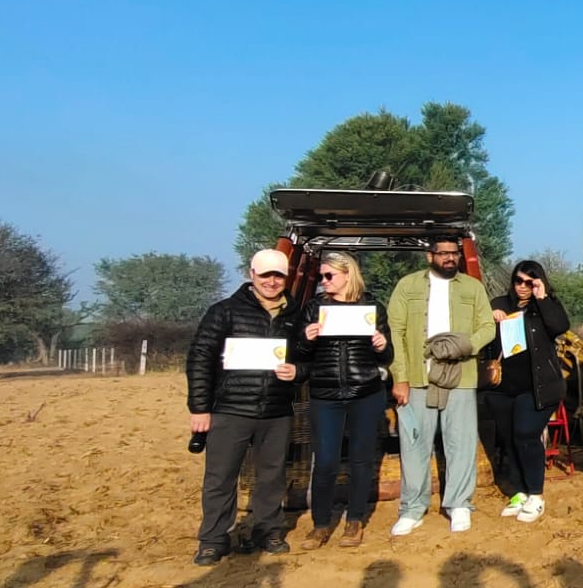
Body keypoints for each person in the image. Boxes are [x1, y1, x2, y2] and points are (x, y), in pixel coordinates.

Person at [185, 249, 305, 565]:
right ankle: (213, 540)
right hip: (230, 410)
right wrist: (199, 408)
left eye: (278, 275)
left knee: (272, 477)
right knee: (220, 477)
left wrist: (298, 370)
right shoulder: (224, 311)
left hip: (276, 411)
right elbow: (200, 359)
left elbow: (308, 358)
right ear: (252, 274)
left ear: (287, 277)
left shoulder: (296, 315)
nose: (272, 281)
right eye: (265, 275)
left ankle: (268, 531)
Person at [387, 238, 496, 536]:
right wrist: (400, 377)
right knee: (414, 444)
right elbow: (395, 331)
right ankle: (413, 508)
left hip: (460, 376)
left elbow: (488, 326)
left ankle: (459, 504)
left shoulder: (472, 288)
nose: (450, 258)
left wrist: (465, 346)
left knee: (461, 443)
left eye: (454, 253)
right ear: (430, 256)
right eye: (443, 253)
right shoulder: (407, 286)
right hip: (417, 378)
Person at [293, 251, 392, 549]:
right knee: (325, 462)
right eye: (321, 276)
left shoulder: (373, 307)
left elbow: (387, 357)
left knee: (362, 461)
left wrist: (382, 345)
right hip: (326, 394)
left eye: (329, 276)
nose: (323, 281)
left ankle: (354, 521)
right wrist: (306, 339)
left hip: (366, 393)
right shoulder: (314, 308)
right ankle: (321, 524)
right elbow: (298, 353)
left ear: (348, 274)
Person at [484, 259, 571, 524]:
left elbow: (559, 327)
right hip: (502, 385)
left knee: (526, 434)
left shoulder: (545, 306)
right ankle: (519, 491)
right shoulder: (499, 303)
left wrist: (542, 298)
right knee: (509, 439)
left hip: (538, 386)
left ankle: (536, 494)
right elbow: (482, 335)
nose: (522, 286)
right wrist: (491, 319)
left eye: (529, 282)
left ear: (538, 283)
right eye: (518, 281)